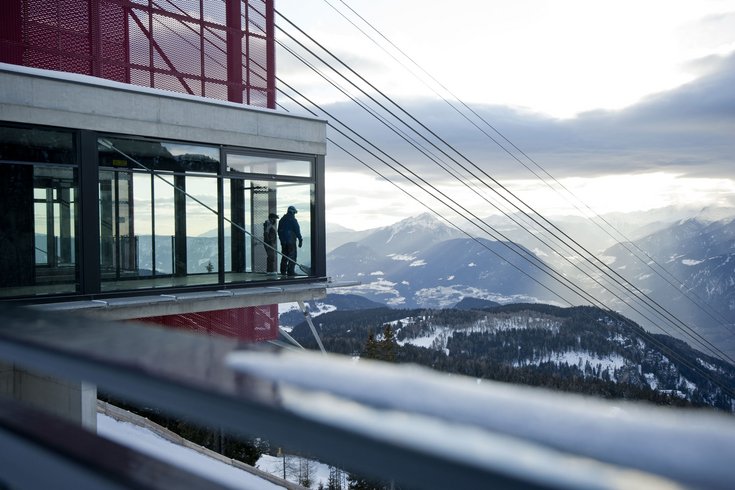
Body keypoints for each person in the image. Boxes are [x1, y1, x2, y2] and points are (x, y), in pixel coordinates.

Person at [277, 205, 302, 276]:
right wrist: (300, 240)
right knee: (292, 256)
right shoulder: (293, 220)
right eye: (294, 213)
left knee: (284, 256)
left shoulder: (282, 220)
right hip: (291, 242)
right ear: (292, 212)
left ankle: (283, 271)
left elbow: (279, 231)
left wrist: (282, 240)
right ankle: (290, 271)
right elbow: (297, 231)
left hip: (283, 242)